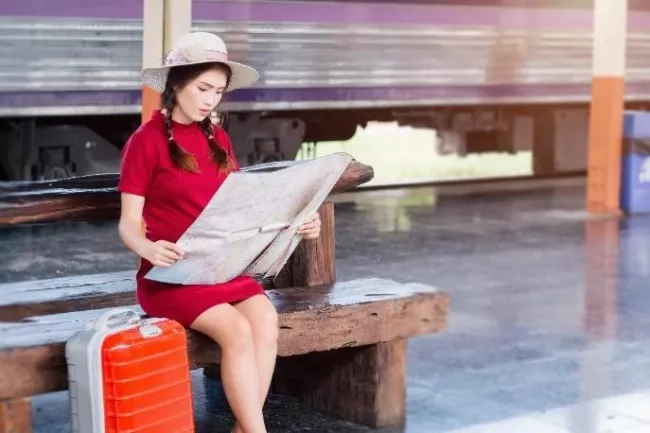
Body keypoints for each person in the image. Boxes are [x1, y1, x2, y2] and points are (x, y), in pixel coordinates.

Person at [117, 32, 321, 433]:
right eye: (202, 88)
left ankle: (244, 429)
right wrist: (147, 246)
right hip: (172, 277)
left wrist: (299, 225)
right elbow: (127, 223)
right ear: (177, 84)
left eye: (218, 92)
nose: (210, 100)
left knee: (264, 319)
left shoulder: (217, 137)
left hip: (222, 268)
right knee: (237, 331)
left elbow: (245, 209)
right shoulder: (145, 141)